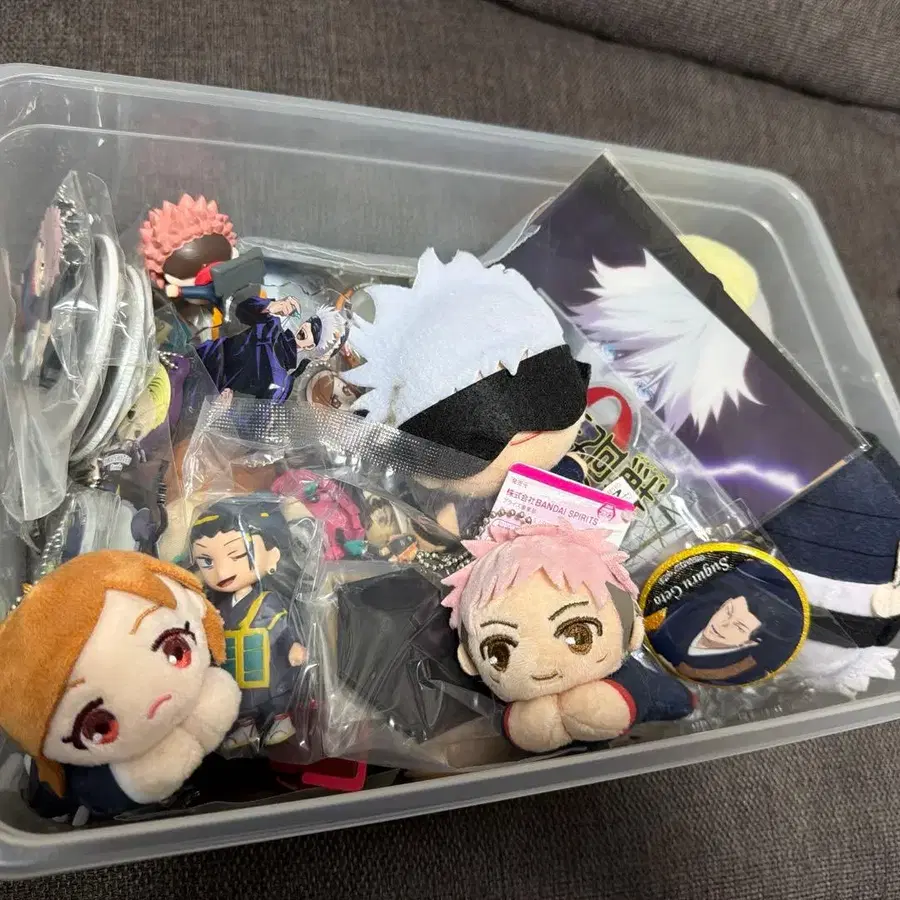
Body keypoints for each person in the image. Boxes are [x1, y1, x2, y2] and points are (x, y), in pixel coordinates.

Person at [189, 496, 308, 752]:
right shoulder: (219, 607)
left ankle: (281, 720)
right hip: (236, 664)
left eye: (237, 555)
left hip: (267, 662)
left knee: (274, 694)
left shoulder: (269, 600)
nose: (221, 572)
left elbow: (284, 627)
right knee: (242, 700)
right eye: (207, 561)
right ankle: (246, 726)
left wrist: (293, 645)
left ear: (273, 555)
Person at [647, 563, 806, 686]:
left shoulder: (740, 670)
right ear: (723, 604)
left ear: (750, 642)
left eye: (739, 627)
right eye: (728, 612)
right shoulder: (689, 608)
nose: (723, 624)